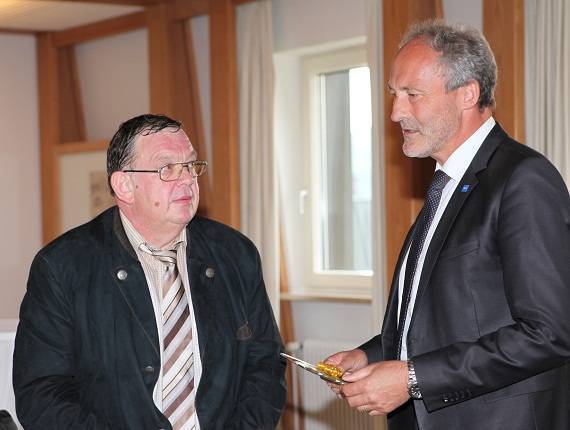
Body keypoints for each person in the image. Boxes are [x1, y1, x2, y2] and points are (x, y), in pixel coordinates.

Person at [326, 20, 570, 430]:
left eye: (412, 95)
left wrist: (413, 378)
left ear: (468, 94)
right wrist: (371, 354)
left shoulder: (522, 180)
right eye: (394, 94)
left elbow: (549, 333)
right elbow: (435, 320)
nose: (395, 112)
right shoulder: (445, 183)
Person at [13, 114, 286, 429]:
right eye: (167, 168)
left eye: (191, 165)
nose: (187, 179)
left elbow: (265, 366)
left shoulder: (236, 255)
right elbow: (42, 394)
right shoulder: (62, 267)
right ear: (125, 185)